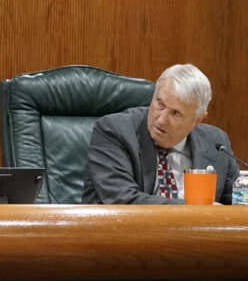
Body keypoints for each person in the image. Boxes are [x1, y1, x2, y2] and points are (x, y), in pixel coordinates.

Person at [82, 63, 238, 205]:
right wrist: (198, 211)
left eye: (176, 113)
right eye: (160, 104)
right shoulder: (114, 131)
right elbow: (123, 201)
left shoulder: (215, 143)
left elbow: (241, 203)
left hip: (198, 236)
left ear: (197, 120)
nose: (162, 119)